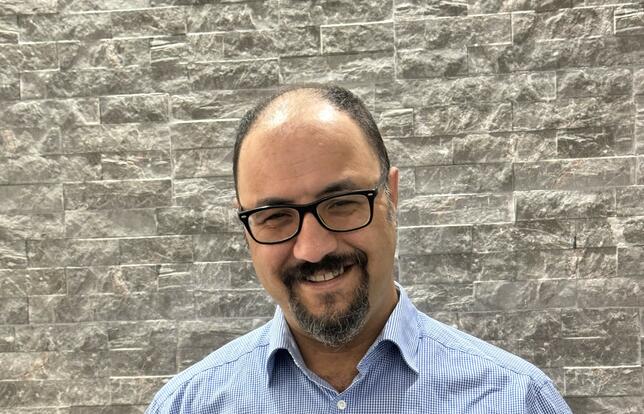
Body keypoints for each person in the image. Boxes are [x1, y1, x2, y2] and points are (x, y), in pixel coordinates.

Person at [145, 85, 572, 413]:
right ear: (246, 228)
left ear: (392, 197)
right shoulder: (185, 406)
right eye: (275, 216)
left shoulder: (517, 399)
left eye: (342, 203)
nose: (312, 248)